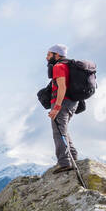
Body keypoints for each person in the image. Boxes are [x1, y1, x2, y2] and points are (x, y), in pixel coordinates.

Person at [45, 44, 79, 172]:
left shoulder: (59, 67)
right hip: (71, 102)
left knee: (58, 132)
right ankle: (73, 156)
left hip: (62, 102)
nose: (46, 57)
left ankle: (64, 162)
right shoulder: (67, 66)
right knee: (62, 129)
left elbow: (62, 87)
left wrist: (57, 107)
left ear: (57, 55)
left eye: (49, 54)